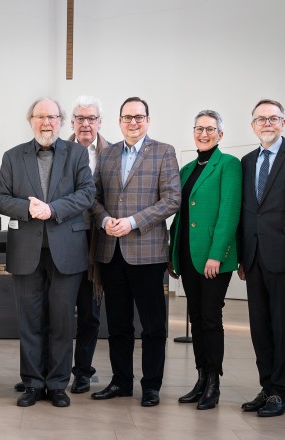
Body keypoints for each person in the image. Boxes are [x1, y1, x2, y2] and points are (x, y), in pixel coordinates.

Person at [0, 98, 95, 408]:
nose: (46, 122)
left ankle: (57, 384)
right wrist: (29, 208)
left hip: (67, 251)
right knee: (30, 320)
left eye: (52, 116)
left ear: (61, 121)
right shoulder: (12, 156)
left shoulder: (77, 153)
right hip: (27, 251)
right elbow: (0, 199)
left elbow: (87, 194)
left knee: (63, 321)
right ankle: (33, 383)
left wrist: (51, 209)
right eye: (40, 116)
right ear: (31, 121)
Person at [91, 97, 180, 407]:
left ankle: (151, 386)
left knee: (153, 325)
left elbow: (171, 200)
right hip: (111, 251)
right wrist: (104, 220)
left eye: (139, 117)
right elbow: (94, 196)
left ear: (148, 120)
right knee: (118, 323)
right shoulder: (107, 154)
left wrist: (131, 222)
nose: (133, 122)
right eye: (127, 117)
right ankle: (121, 382)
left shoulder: (164, 152)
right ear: (118, 121)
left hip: (147, 252)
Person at [237, 100, 285, 417]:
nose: (267, 123)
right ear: (253, 125)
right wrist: (241, 254)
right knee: (259, 328)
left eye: (273, 118)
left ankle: (282, 393)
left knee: (282, 328)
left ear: (283, 122)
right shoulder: (247, 160)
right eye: (260, 119)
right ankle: (267, 388)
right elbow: (244, 211)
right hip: (253, 258)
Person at [168, 109, 241, 410]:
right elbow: (181, 217)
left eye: (211, 129)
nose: (204, 133)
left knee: (211, 317)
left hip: (213, 258)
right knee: (195, 317)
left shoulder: (229, 165)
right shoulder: (185, 169)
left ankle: (214, 382)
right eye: (199, 128)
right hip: (187, 255)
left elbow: (229, 213)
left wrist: (216, 255)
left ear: (221, 134)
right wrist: (172, 253)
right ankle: (200, 378)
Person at [66, 95, 110, 393]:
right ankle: (45, 370)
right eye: (80, 118)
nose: (85, 124)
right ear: (72, 122)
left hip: (96, 242)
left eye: (91, 118)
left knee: (90, 313)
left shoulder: (113, 154)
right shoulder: (58, 151)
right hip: (64, 239)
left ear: (99, 122)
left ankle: (82, 370)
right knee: (55, 310)